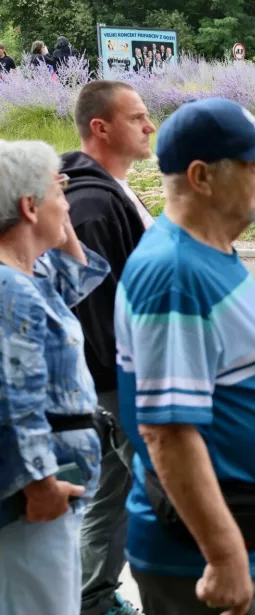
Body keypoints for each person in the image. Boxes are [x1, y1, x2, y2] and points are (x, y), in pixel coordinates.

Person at [114, 98, 255, 615]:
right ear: (201, 177)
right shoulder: (176, 273)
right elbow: (167, 432)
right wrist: (224, 557)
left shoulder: (209, 251)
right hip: (205, 561)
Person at [0, 139, 111, 615]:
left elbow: (77, 276)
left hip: (54, 489)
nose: (69, 200)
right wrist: (39, 483)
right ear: (29, 206)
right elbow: (13, 397)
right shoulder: (10, 289)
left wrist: (54, 209)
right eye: (59, 190)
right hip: (36, 498)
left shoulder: (32, 272)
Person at [64, 80, 156, 615]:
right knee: (166, 497)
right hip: (120, 384)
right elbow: (101, 312)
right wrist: (137, 389)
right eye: (137, 117)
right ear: (101, 127)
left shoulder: (108, 188)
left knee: (112, 496)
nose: (149, 125)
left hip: (112, 383)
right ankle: (169, 599)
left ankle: (93, 599)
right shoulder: (94, 203)